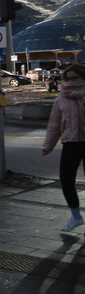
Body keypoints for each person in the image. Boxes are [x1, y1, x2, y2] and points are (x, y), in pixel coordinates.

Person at [43, 63, 85, 232]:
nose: (71, 81)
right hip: (71, 143)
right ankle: (76, 217)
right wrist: (48, 145)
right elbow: (54, 125)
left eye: (75, 78)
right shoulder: (61, 99)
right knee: (66, 180)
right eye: (68, 78)